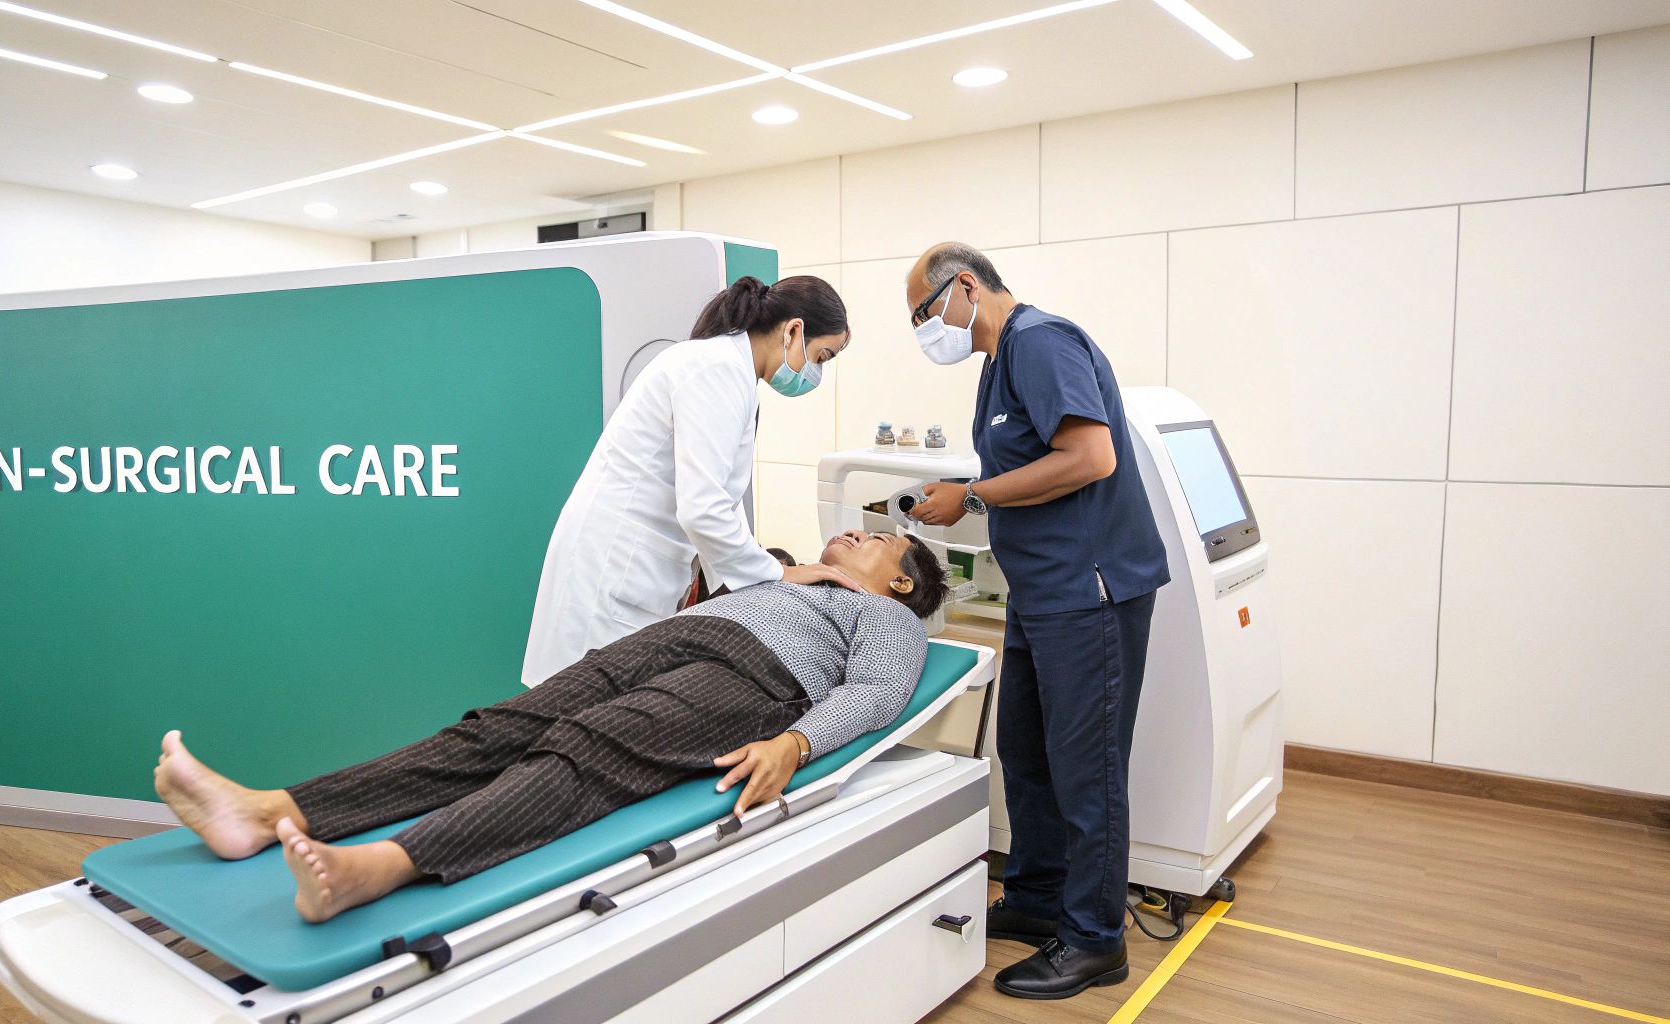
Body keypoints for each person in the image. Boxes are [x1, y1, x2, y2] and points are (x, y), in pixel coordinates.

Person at [152, 530, 948, 923]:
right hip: (676, 640)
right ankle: (266, 813)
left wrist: (796, 741)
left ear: (901, 578)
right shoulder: (791, 575)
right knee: (498, 728)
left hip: (757, 679)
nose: (855, 534)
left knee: (584, 752)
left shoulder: (884, 616)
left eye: (878, 538)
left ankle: (383, 867)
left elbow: (878, 693)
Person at [903, 242, 1170, 1000]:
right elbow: (1031, 458)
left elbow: (1090, 457)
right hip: (1044, 590)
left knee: (1087, 768)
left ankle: (1094, 940)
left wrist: (975, 494)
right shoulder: (1000, 359)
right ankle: (1038, 894)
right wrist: (968, 486)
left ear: (964, 287)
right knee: (1025, 749)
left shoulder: (1040, 341)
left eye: (924, 314)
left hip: (1089, 590)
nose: (927, 330)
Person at [523, 275, 858, 686]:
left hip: (636, 566)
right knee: (577, 709)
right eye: (821, 357)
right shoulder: (715, 369)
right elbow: (703, 509)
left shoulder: (733, 375)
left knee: (593, 711)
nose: (815, 374)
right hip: (613, 567)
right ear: (793, 330)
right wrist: (777, 573)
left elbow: (717, 499)